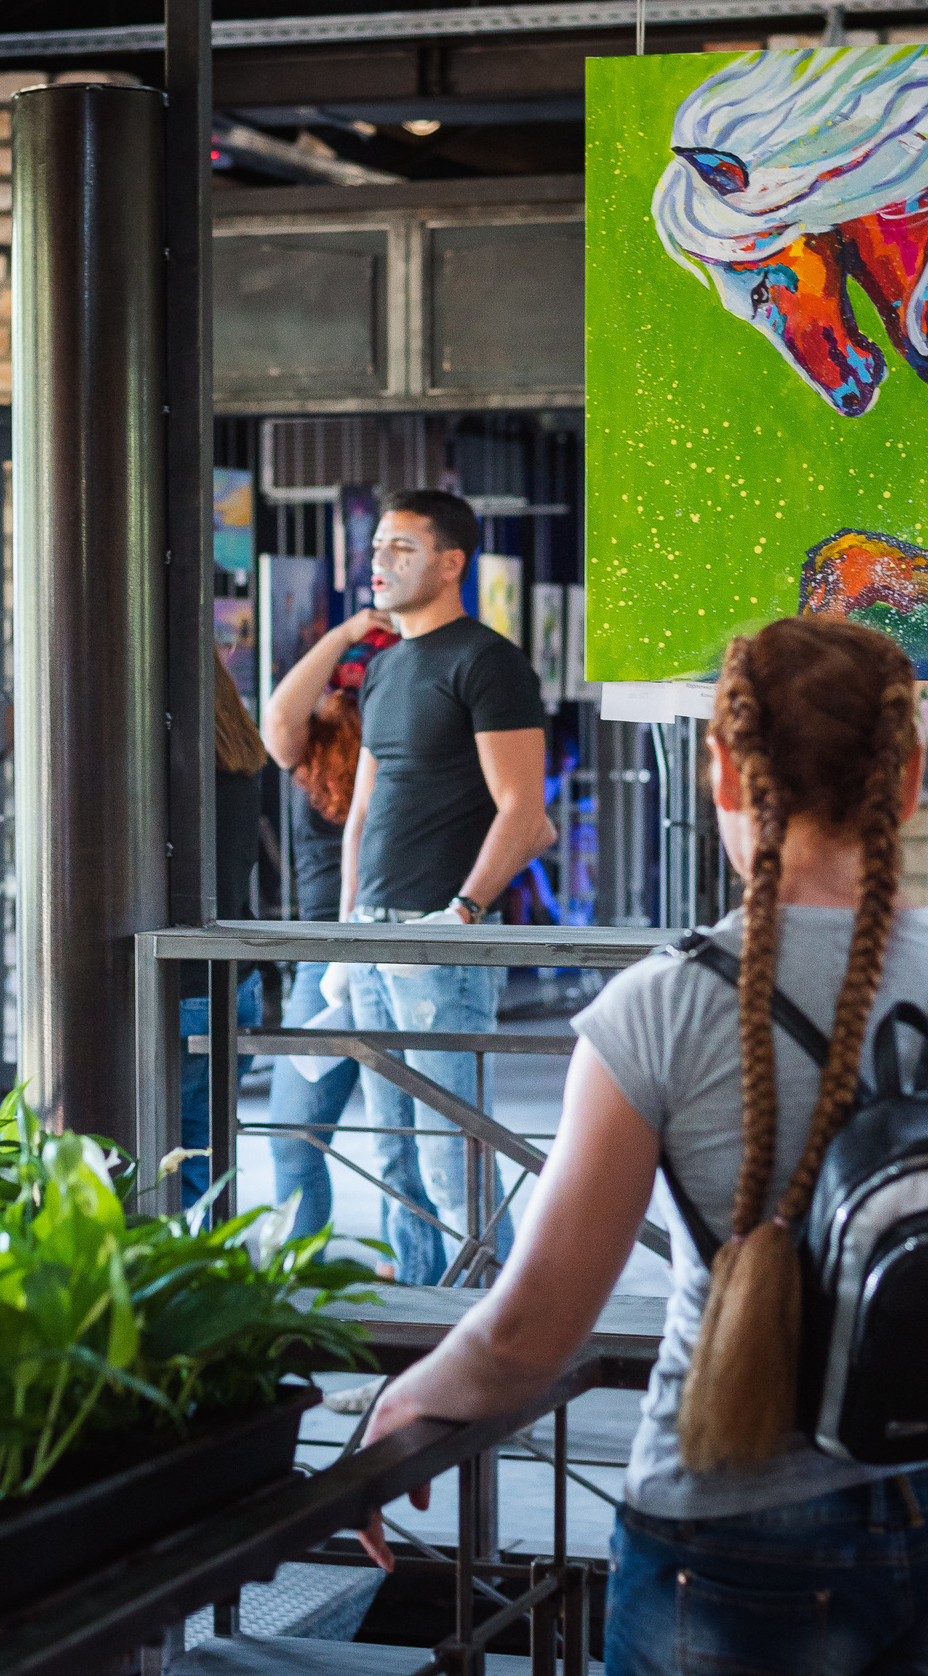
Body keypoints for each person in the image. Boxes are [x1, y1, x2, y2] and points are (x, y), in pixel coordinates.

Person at [353, 617, 928, 1676]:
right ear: (911, 774)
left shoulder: (658, 1006)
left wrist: (411, 1394)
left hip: (735, 1527)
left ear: (723, 776)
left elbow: (531, 1332)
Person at [343, 488, 553, 1287]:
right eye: (377, 549)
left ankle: (483, 1349)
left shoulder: (486, 659)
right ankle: (415, 1350)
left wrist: (462, 912)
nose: (379, 562)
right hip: (368, 935)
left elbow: (526, 814)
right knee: (392, 1157)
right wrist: (343, 932)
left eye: (401, 547)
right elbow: (363, 812)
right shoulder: (385, 667)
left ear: (450, 561)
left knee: (450, 1157)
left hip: (441, 939)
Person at [257, 609, 394, 1238]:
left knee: (412, 1148)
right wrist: (344, 632)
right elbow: (279, 718)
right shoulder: (311, 739)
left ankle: (422, 1277)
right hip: (324, 953)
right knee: (293, 1133)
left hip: (405, 945)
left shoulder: (413, 735)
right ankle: (300, 1281)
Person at [177, 648, 271, 1200]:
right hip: (236, 983)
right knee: (206, 1160)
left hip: (177, 988)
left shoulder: (162, 776)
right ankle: (207, 1268)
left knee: (159, 1163)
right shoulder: (240, 763)